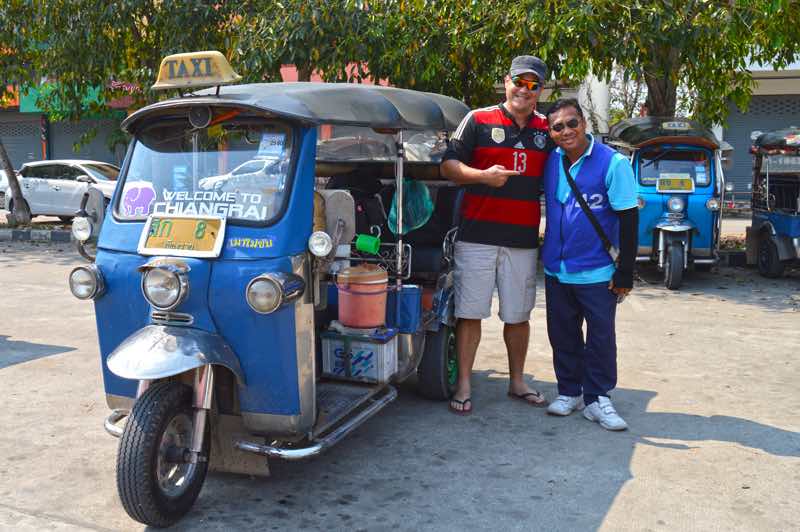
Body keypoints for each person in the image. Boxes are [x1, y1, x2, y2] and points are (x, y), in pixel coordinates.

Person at [440, 55, 554, 415]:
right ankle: (463, 385)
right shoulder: (478, 119)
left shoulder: (546, 128)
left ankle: (517, 382)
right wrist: (482, 176)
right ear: (506, 81)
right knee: (470, 313)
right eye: (519, 81)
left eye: (533, 84)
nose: (524, 89)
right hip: (476, 237)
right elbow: (447, 165)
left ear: (540, 90)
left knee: (518, 315)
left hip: (521, 239)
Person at [541, 98, 638, 430]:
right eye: (558, 127)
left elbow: (628, 218)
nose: (566, 131)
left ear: (584, 123)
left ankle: (598, 399)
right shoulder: (550, 162)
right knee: (563, 334)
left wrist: (626, 270)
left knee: (600, 338)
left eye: (572, 123)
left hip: (597, 271)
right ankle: (569, 391)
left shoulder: (613, 164)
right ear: (551, 132)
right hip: (557, 269)